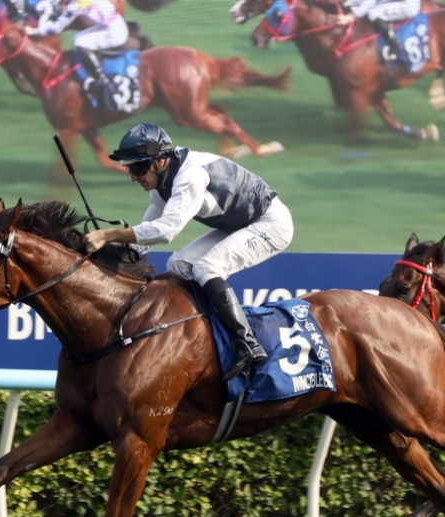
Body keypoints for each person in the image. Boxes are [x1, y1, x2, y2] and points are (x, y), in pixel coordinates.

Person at [82, 123, 295, 381]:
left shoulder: (190, 175)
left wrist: (108, 235)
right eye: (130, 168)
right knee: (178, 264)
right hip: (238, 224)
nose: (133, 177)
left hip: (270, 223)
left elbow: (166, 230)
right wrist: (106, 255)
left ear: (160, 161)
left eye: (138, 168)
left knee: (207, 267)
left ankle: (247, 344)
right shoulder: (161, 184)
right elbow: (143, 240)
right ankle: (195, 333)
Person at [8, 0, 128, 107]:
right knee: (78, 38)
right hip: (111, 25)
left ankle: (100, 79)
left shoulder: (75, 6)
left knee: (81, 42)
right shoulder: (77, 3)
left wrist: (34, 31)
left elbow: (55, 29)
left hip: (114, 32)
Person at [335, 0, 423, 45]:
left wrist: (351, 17)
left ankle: (394, 43)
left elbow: (370, 2)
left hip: (408, 5)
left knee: (374, 12)